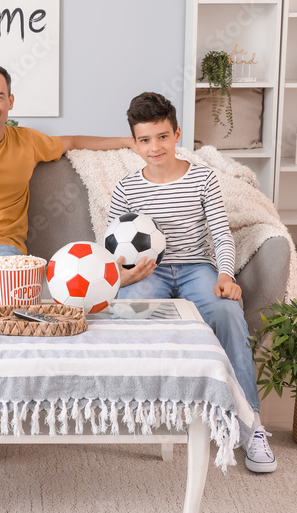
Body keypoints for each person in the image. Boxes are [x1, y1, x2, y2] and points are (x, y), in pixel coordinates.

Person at [0, 62, 131, 463]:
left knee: (6, 316)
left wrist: (130, 141)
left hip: (0, 247)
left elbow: (71, 141)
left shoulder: (27, 142)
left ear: (10, 100)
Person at [111, 91, 277, 473]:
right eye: (146, 140)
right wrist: (123, 275)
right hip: (148, 271)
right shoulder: (126, 188)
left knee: (228, 313)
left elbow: (221, 234)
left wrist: (224, 274)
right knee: (123, 315)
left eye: (163, 137)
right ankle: (146, 410)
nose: (156, 147)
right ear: (135, 143)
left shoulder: (202, 179)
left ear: (177, 134)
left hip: (196, 268)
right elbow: (113, 247)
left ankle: (250, 426)